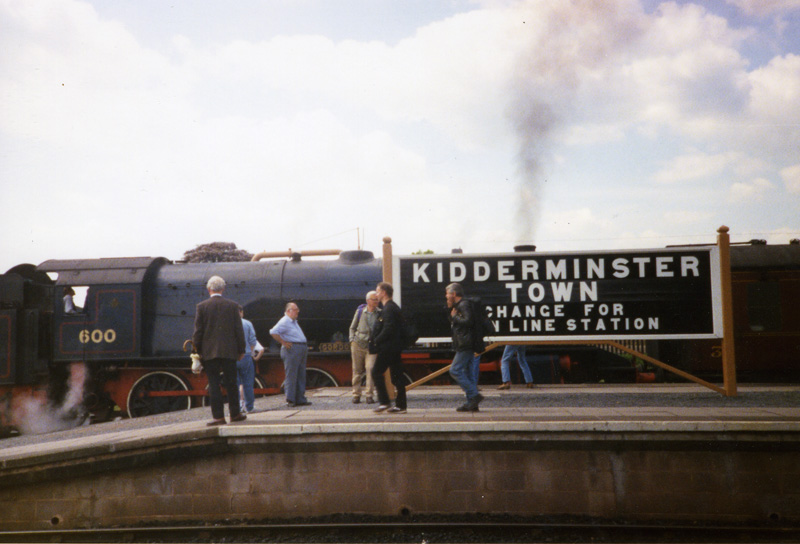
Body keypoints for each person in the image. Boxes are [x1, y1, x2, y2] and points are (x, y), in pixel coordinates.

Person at [192, 276, 247, 426]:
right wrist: (241, 350)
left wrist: (196, 350)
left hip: (209, 352)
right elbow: (238, 330)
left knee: (214, 384)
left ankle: (218, 417)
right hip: (230, 351)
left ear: (209, 289)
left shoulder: (201, 306)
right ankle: (235, 414)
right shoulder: (232, 305)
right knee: (232, 383)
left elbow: (198, 331)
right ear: (223, 289)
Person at [446, 283, 484, 412]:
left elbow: (468, 321)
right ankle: (471, 404)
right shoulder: (459, 305)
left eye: (447, 293)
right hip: (465, 343)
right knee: (468, 373)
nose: (446, 296)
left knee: (455, 370)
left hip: (466, 344)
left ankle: (474, 396)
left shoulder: (464, 304)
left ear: (454, 294)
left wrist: (454, 317)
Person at [370, 282, 407, 414]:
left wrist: (376, 340)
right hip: (393, 347)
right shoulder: (392, 307)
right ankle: (401, 406)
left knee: (376, 372)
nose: (376, 294)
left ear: (384, 292)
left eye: (378, 291)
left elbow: (389, 328)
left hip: (388, 348)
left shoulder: (388, 308)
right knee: (397, 376)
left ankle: (385, 402)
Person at [270, 302, 311, 407]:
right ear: (289, 311)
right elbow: (273, 331)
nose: (298, 311)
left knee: (300, 374)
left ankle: (300, 398)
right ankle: (290, 399)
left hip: (300, 348)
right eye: (295, 309)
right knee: (291, 375)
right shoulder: (284, 321)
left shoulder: (293, 321)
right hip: (292, 349)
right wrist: (283, 342)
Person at [349, 290, 379, 404]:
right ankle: (356, 394)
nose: (376, 301)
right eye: (374, 299)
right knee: (357, 371)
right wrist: (352, 340)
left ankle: (369, 395)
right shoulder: (360, 311)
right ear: (368, 301)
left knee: (370, 369)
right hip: (358, 344)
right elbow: (352, 327)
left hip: (371, 346)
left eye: (377, 299)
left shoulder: (379, 313)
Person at [237, 306, 264, 414]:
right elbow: (253, 341)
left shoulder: (226, 323)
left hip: (231, 357)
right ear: (241, 312)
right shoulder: (247, 323)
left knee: (234, 384)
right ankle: (249, 407)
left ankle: (237, 408)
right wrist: (250, 352)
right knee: (247, 382)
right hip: (246, 355)